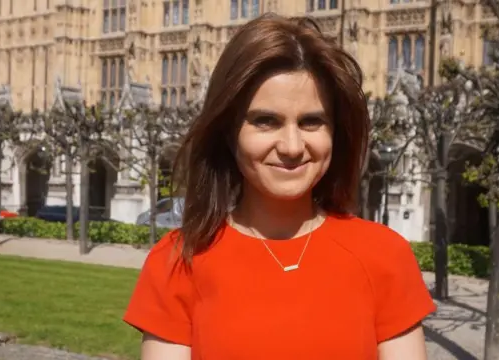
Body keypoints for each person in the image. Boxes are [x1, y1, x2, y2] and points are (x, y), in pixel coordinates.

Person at [124, 13, 436, 360]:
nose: (291, 146)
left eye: (311, 121)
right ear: (229, 133)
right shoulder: (177, 262)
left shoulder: (385, 256)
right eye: (265, 121)